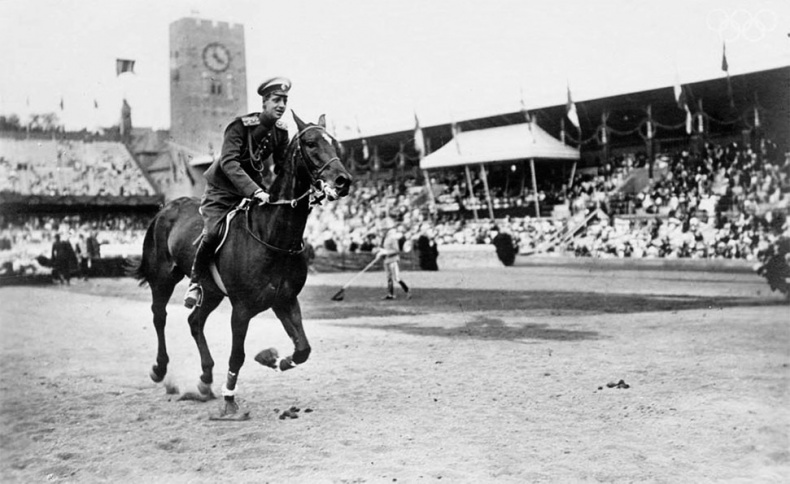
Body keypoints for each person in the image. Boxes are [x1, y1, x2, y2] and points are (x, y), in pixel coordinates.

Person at [184, 77, 292, 308]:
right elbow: (230, 163)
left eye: (284, 100)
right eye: (276, 100)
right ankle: (195, 282)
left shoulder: (281, 133)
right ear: (264, 102)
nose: (281, 105)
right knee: (212, 233)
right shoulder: (240, 126)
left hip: (254, 192)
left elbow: (283, 168)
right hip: (222, 192)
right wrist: (255, 191)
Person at [376, 218, 411, 300]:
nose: (382, 231)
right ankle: (390, 294)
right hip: (387, 260)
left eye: (384, 229)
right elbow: (385, 248)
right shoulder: (386, 238)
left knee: (396, 278)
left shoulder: (392, 237)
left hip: (393, 260)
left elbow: (396, 250)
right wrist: (381, 252)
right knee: (389, 278)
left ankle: (407, 290)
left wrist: (385, 252)